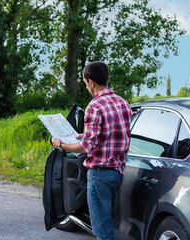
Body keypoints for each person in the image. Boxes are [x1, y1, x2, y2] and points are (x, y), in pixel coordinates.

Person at [51, 61, 132, 240]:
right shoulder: (123, 103)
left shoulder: (94, 107)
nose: (86, 86)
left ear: (91, 82)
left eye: (85, 82)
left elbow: (86, 147)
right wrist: (86, 134)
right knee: (109, 223)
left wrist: (60, 145)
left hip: (100, 176)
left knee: (102, 231)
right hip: (117, 173)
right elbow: (115, 134)